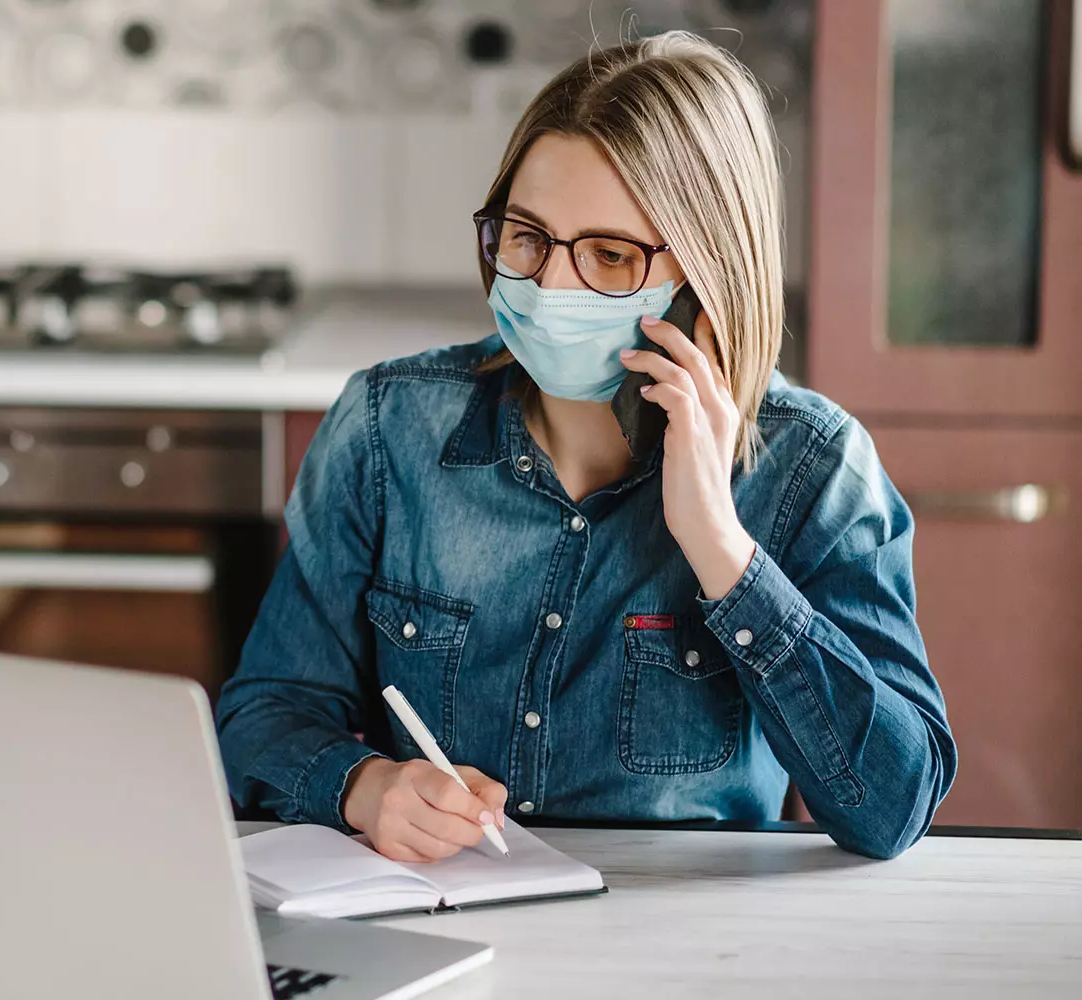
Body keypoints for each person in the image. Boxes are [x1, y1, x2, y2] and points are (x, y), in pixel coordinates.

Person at [215, 32, 955, 862]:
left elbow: (893, 808)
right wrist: (361, 785)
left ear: (707, 278)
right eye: (527, 236)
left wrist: (723, 550)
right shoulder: (388, 426)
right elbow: (264, 714)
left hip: (680, 934)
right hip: (445, 916)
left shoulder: (814, 467)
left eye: (609, 255)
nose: (548, 286)